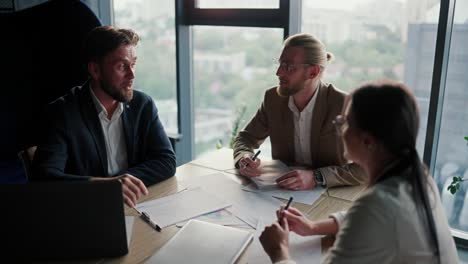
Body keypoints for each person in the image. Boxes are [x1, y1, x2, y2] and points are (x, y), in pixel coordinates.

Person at [259, 81, 458, 263]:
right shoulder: (417, 175)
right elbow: (361, 217)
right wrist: (313, 227)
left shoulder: (378, 204)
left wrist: (279, 251)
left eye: (344, 122)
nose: (340, 129)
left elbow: (370, 215)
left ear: (368, 141)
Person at [32, 26, 176, 207]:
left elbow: (166, 161)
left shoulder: (142, 105)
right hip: (86, 210)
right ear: (95, 70)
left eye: (133, 64)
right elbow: (44, 179)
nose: (132, 75)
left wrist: (122, 184)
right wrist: (108, 187)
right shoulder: (62, 113)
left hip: (134, 205)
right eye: (121, 66)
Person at [233, 33, 364, 190]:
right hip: (280, 193)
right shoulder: (273, 99)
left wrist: (317, 177)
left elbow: (366, 168)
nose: (279, 73)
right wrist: (244, 158)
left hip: (330, 195)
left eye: (288, 67)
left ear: (313, 72)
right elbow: (245, 138)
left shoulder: (343, 104)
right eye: (280, 64)